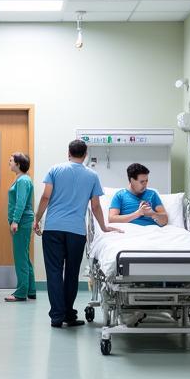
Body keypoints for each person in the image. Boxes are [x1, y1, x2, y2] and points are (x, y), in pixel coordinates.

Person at [34, 139, 121, 328]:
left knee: (54, 272)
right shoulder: (92, 175)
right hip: (76, 232)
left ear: (68, 153)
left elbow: (46, 196)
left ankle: (56, 316)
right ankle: (69, 315)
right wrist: (104, 227)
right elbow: (96, 206)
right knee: (72, 273)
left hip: (54, 229)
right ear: (85, 155)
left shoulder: (55, 170)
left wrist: (37, 218)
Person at [5, 152, 37, 303]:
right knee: (24, 256)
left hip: (21, 222)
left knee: (20, 258)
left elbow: (21, 202)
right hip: (24, 221)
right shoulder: (22, 179)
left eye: (11, 161)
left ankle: (21, 292)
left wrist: (15, 221)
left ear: (18, 164)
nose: (9, 163)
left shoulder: (23, 180)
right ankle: (31, 289)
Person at [108, 162, 168, 227]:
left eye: (146, 181)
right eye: (142, 182)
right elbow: (112, 219)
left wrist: (152, 214)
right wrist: (138, 213)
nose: (145, 185)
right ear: (132, 180)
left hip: (152, 230)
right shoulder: (120, 195)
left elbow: (165, 220)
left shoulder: (152, 194)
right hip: (130, 231)